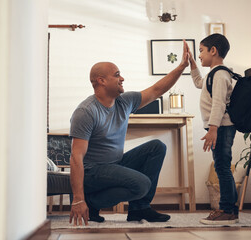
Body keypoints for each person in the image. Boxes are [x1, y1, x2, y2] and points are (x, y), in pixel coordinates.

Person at [68, 41, 190, 226]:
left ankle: (139, 208)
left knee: (156, 147)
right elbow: (76, 158)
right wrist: (78, 199)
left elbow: (157, 90)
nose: (122, 78)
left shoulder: (125, 102)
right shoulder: (86, 111)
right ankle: (91, 203)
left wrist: (181, 67)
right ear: (101, 80)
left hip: (114, 164)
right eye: (117, 75)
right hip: (92, 173)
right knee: (141, 184)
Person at [187, 33, 239, 225]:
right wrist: (192, 63)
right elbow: (199, 83)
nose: (199, 55)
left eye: (201, 51)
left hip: (222, 128)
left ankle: (226, 210)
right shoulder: (214, 74)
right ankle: (230, 210)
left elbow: (218, 104)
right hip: (221, 127)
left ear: (213, 50)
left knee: (222, 167)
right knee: (222, 166)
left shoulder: (221, 75)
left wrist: (213, 129)